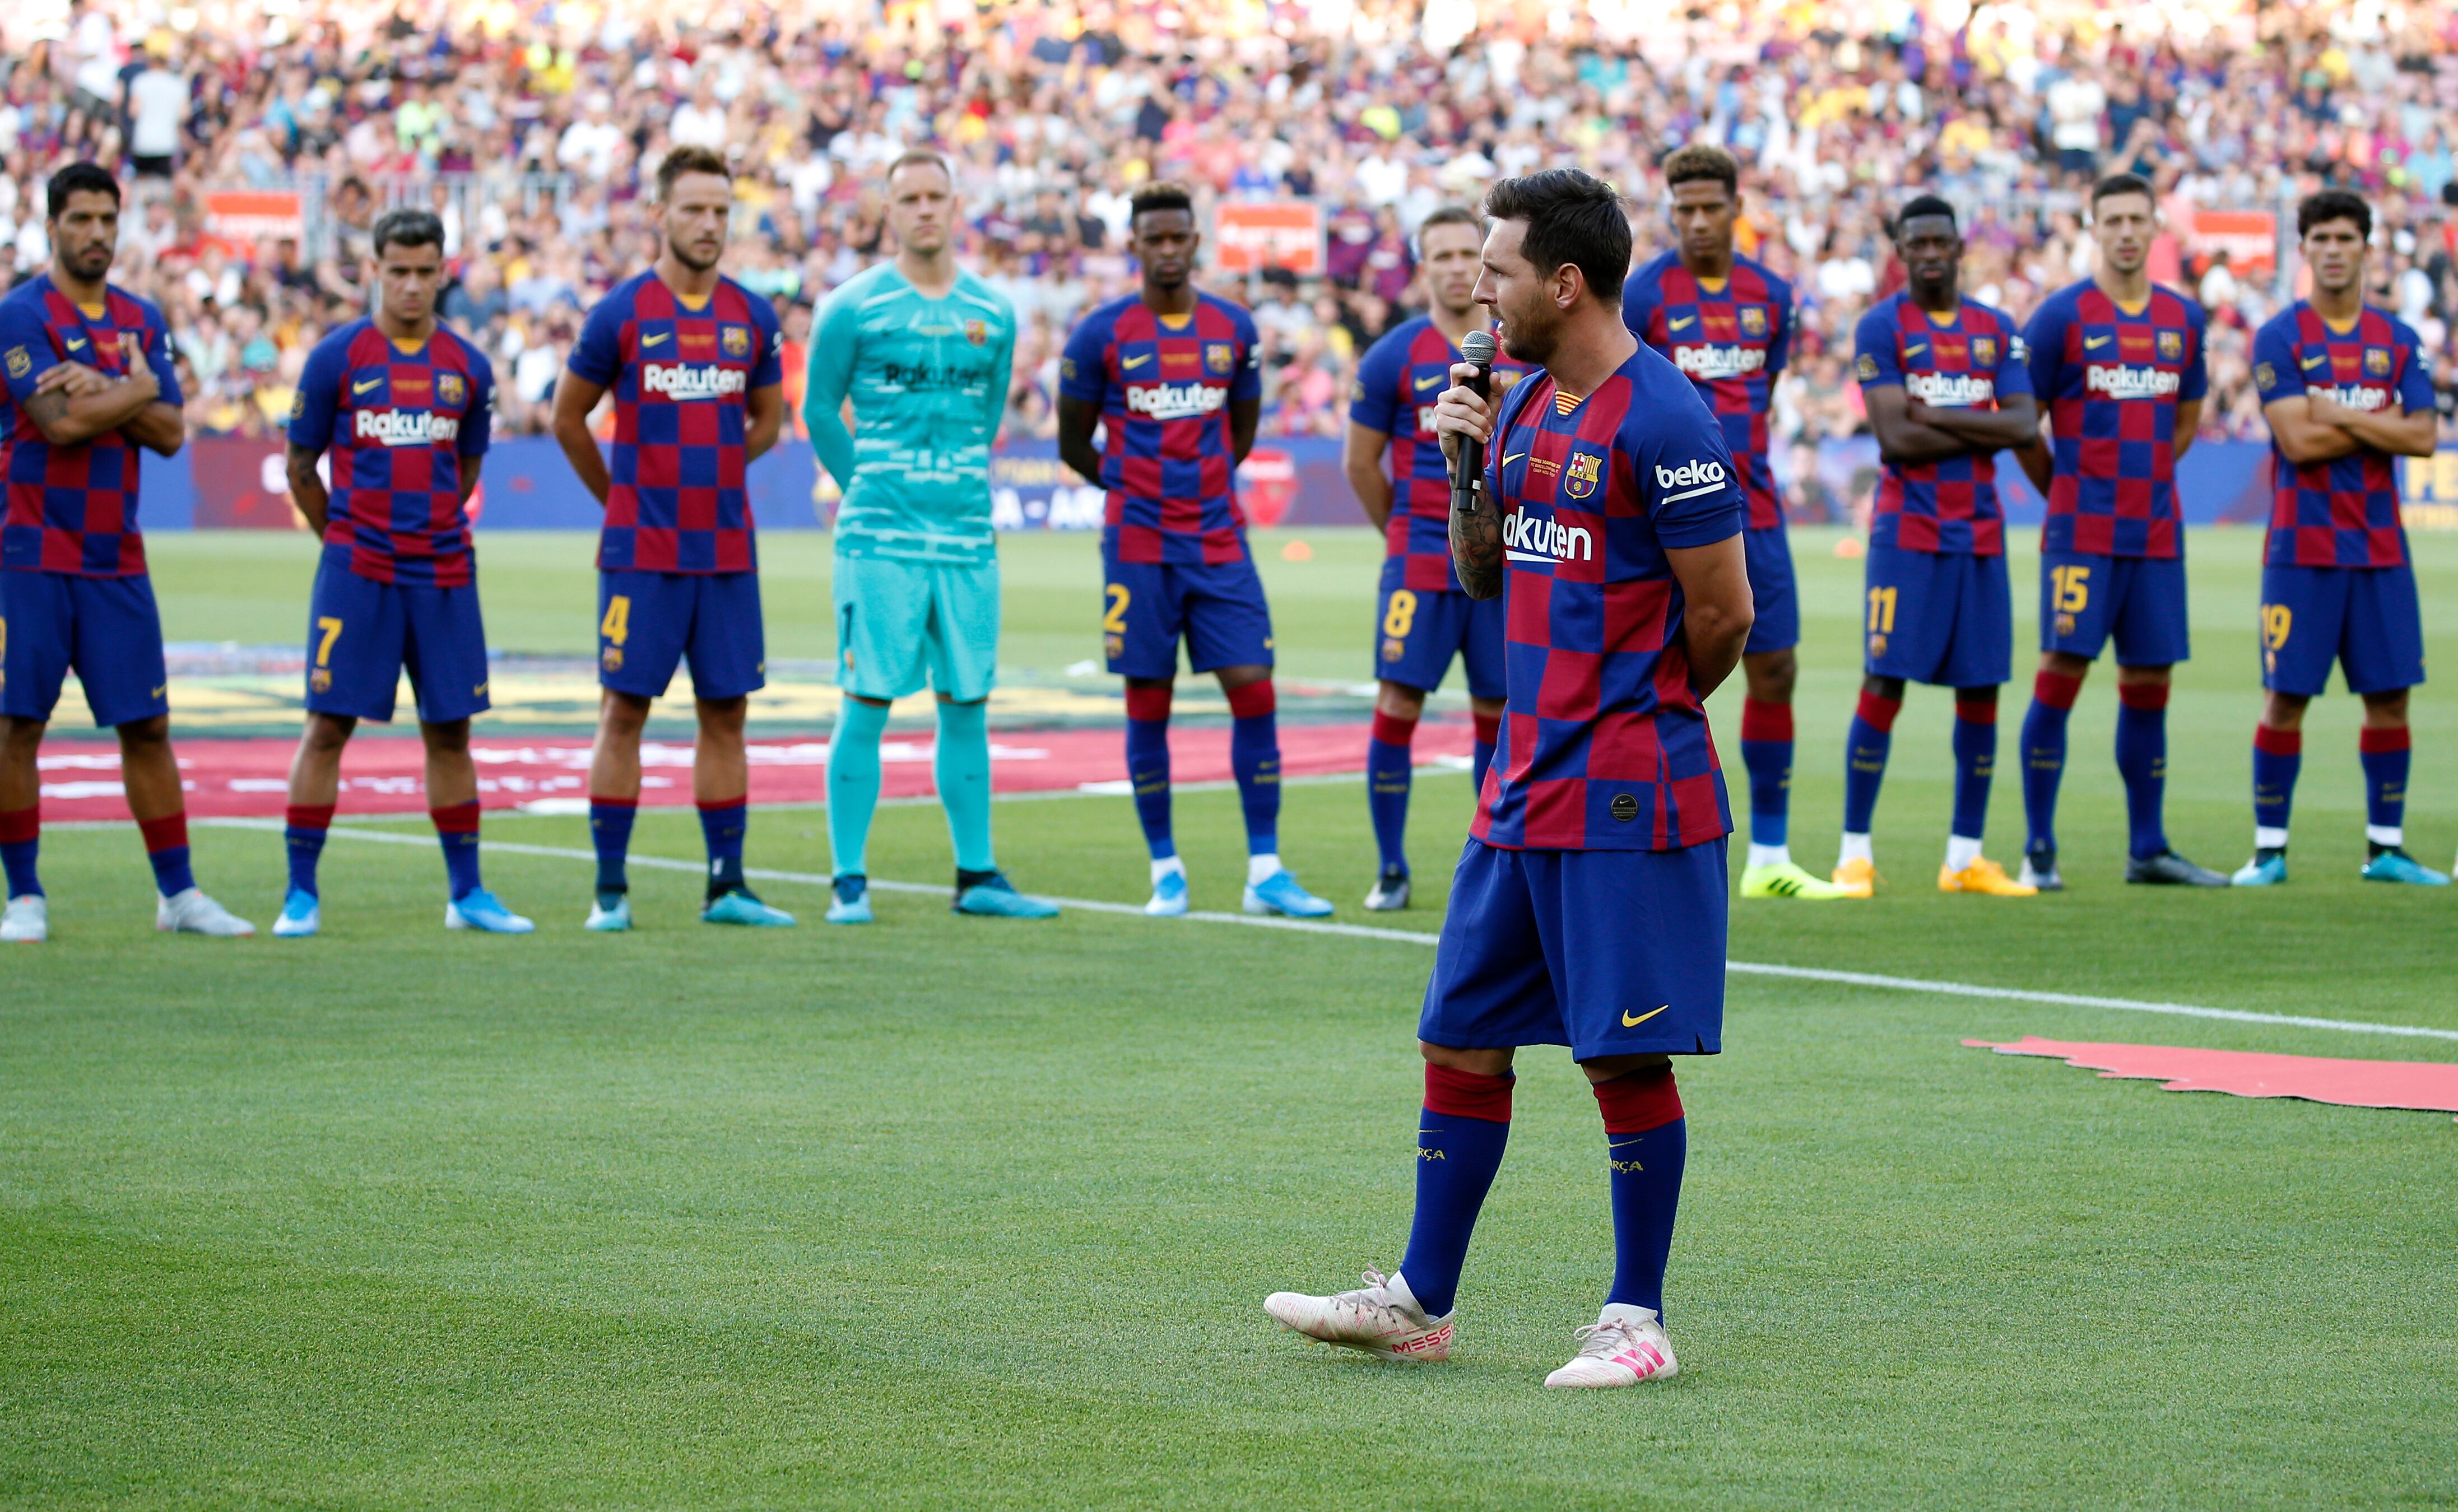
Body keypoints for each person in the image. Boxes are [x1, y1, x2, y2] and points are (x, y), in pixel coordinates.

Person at [1264, 169, 1755, 1389]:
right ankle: (1418, 1299)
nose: (1477, 290)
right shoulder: (1523, 403)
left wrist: (1635, 711)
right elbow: (1484, 574)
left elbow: (1724, 614)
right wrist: (1463, 469)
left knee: (1620, 1055)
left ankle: (1637, 1318)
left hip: (1625, 793)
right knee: (1463, 1035)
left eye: (1496, 271)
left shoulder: (1666, 420)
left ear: (1565, 283)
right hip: (1520, 779)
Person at [1057, 182, 1333, 919]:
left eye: (1178, 237)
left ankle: (1265, 868)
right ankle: (1165, 869)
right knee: (1148, 701)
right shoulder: (1098, 334)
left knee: (1255, 688)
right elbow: (1072, 443)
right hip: (1137, 543)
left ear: (1195, 241)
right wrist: (1133, 486)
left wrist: (1198, 485)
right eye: (1154, 239)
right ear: (1134, 246)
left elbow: (1240, 431)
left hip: (1216, 537)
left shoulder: (1232, 328)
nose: (1168, 249)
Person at [802, 150, 1058, 924]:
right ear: (888, 211)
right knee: (866, 699)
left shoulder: (994, 312)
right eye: (908, 198)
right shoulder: (852, 306)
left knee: (966, 702)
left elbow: (985, 417)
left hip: (967, 536)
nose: (922, 209)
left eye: (934, 197)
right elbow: (818, 410)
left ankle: (976, 874)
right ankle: (848, 879)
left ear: (955, 206)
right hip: (879, 539)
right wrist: (866, 486)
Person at [0, 162, 252, 944]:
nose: (97, 234)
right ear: (52, 226)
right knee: (18, 725)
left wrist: (109, 386)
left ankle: (178, 894)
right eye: (81, 219)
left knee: (146, 724)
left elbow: (172, 434)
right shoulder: (19, 314)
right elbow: (59, 423)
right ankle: (24, 896)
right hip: (30, 551)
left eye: (108, 219)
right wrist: (138, 387)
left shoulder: (141, 316)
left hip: (116, 555)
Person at [553, 145, 797, 932]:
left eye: (721, 210)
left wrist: (718, 468)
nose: (709, 223)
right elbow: (568, 417)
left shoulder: (752, 317)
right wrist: (622, 498)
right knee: (623, 712)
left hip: (725, 550)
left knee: (726, 715)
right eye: (693, 209)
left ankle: (727, 886)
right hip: (642, 553)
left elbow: (767, 422)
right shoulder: (620, 314)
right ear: (659, 214)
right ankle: (610, 892)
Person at [277, 206, 527, 936]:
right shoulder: (337, 357)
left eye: (424, 272)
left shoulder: (468, 366)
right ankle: (300, 894)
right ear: (374, 271)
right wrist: (343, 540)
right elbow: (301, 467)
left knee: (450, 731)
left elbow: (466, 468)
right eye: (398, 271)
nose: (412, 285)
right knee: (328, 726)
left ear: (443, 271)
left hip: (443, 573)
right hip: (359, 570)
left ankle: (467, 893)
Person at [1624, 144, 1856, 901]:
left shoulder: (1772, 296)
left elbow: (1764, 393)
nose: (1697, 221)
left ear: (1736, 209)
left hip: (1753, 510)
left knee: (1775, 668)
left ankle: (1769, 855)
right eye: (1683, 209)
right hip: (1662, 515)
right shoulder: (1643, 295)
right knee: (1652, 677)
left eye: (1710, 207)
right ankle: (1641, 834)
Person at [2013, 173, 2228, 890]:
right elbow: (2023, 422)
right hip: (2081, 533)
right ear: (2093, 227)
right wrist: (2065, 488)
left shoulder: (2182, 319)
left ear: (2156, 225)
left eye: (2138, 219)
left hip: (2156, 534)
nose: (2127, 232)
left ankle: (2148, 848)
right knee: (2060, 675)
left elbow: (2186, 417)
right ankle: (2038, 849)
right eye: (2114, 221)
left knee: (2149, 681)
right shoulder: (2060, 317)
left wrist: (2147, 479)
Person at [2233, 191, 2445, 887]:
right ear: (2304, 248)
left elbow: (2424, 436)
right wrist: (2379, 421)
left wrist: (2337, 412)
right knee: (2285, 697)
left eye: (2345, 238)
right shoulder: (2280, 337)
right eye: (2320, 237)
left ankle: (2386, 848)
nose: (2332, 249)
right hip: (2301, 549)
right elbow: (2298, 441)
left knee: (2390, 698)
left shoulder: (2398, 339)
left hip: (2380, 549)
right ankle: (2269, 851)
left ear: (2366, 248)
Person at [1835, 196, 2041, 897]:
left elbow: (2023, 425)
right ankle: (1854, 853)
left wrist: (1930, 411)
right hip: (1907, 532)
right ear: (1900, 250)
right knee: (1883, 680)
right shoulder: (1881, 325)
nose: (1929, 253)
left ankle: (1964, 857)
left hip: (1979, 532)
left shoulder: (1995, 328)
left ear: (1958, 248)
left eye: (1939, 242)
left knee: (1980, 688)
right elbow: (1896, 437)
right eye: (1916, 243)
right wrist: (1977, 420)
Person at [1342, 204, 1527, 910]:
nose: (1456, 268)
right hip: (1418, 560)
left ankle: (1490, 864)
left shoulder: (1519, 348)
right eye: (1441, 256)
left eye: (1466, 255)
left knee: (1496, 709)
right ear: (1422, 267)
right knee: (1397, 701)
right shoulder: (1392, 355)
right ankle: (1391, 867)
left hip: (1499, 562)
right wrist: (1405, 532)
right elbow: (1360, 464)